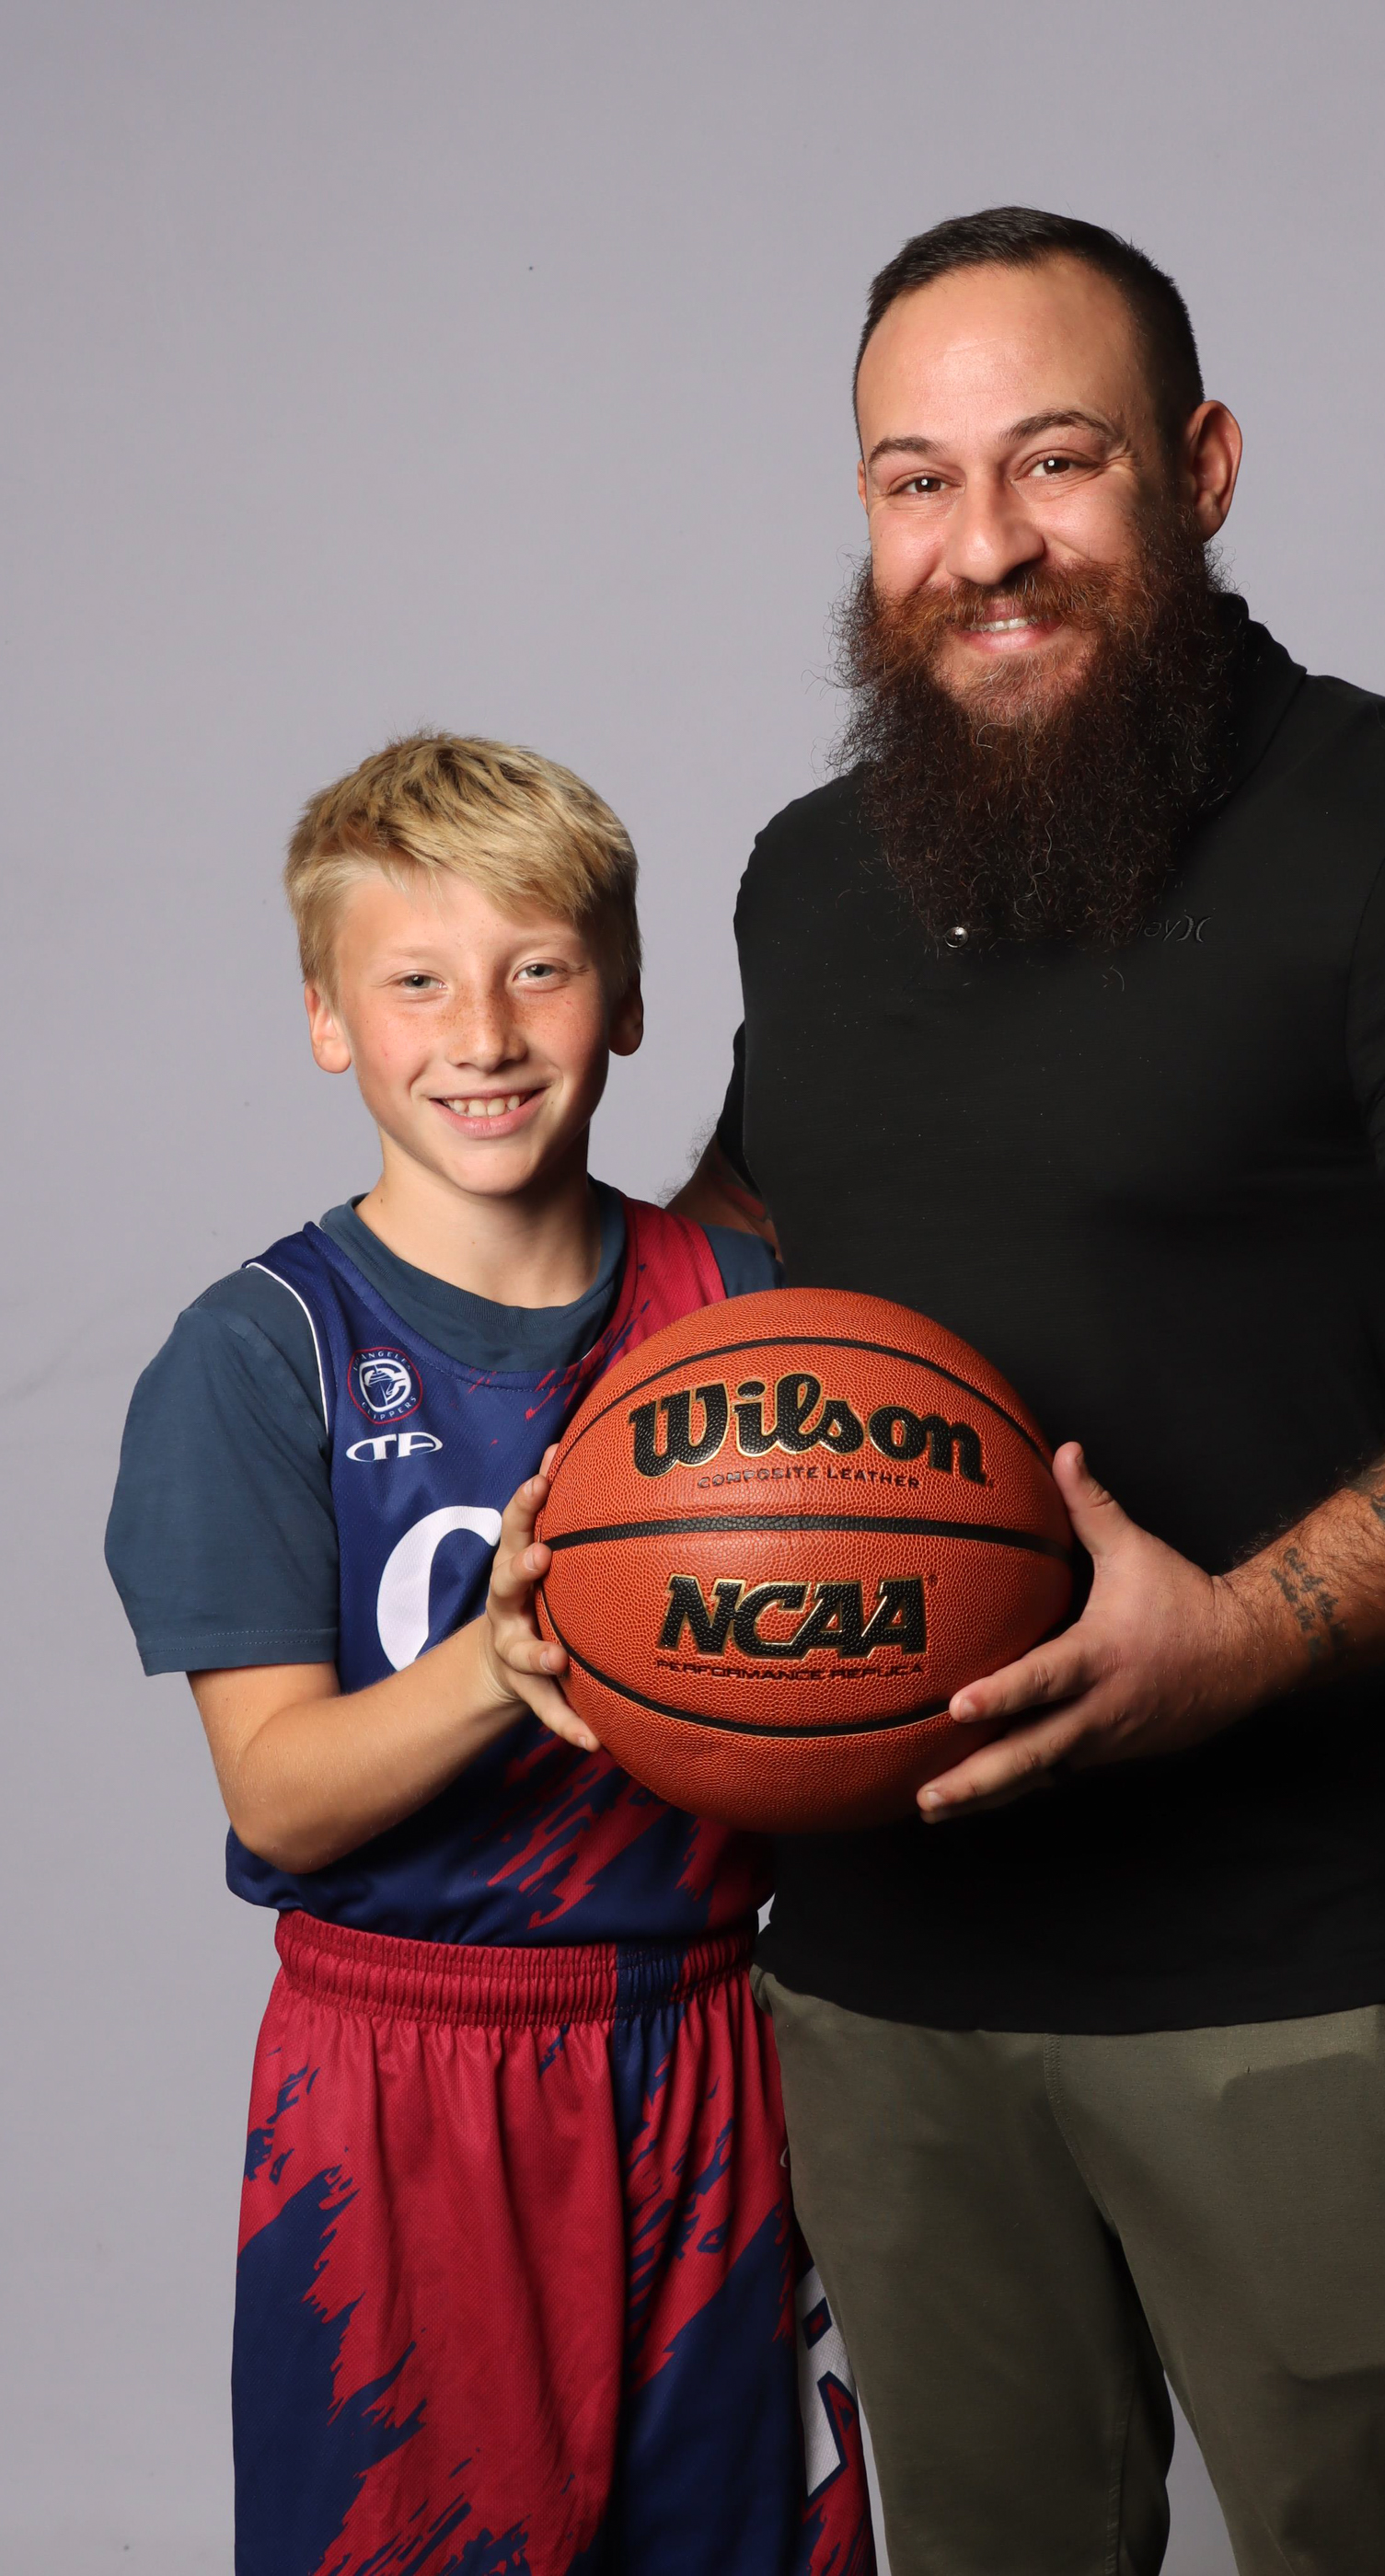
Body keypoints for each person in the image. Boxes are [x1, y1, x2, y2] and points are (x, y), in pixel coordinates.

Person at [672, 209, 1385, 2576]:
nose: (984, 544)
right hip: (879, 1971)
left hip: (1298, 1971)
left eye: (1054, 461)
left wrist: (1241, 1637)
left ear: (1202, 466)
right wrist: (554, 1504)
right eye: (917, 481)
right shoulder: (806, 882)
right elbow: (729, 1302)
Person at [106, 736, 873, 2576]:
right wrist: (492, 1661)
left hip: (714, 2042)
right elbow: (278, 1797)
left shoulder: (749, 1322)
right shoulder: (259, 1352)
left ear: (626, 1003)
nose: (485, 1033)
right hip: (408, 2076)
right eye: (417, 982)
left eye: (540, 969)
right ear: (327, 1020)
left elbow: (850, 1691)